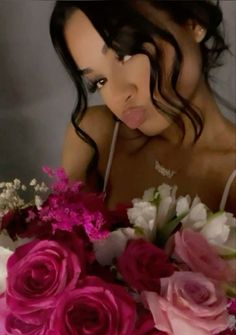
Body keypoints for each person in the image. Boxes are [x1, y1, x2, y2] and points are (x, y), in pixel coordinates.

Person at [50, 0, 236, 213]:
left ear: (194, 22)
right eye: (99, 80)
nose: (118, 95)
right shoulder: (94, 139)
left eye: (126, 55)